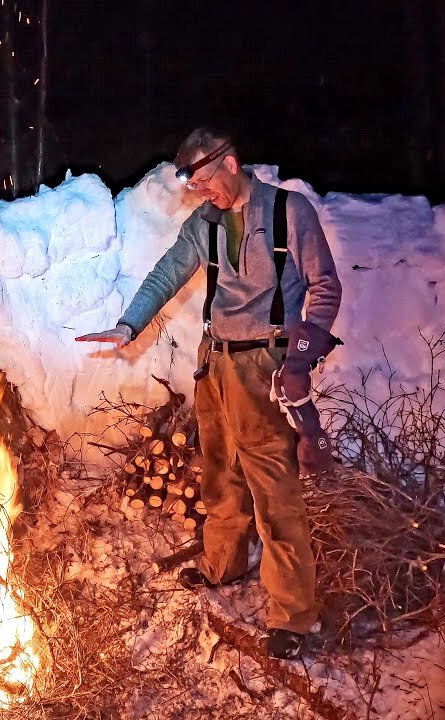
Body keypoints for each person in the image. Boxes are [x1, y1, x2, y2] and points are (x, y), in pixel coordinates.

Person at [77, 127, 342, 659]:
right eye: (193, 185)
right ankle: (224, 564)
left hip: (265, 365)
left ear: (231, 162)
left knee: (274, 490)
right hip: (214, 365)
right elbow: (167, 274)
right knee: (219, 472)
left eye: (205, 180)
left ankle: (292, 616)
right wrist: (129, 325)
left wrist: (300, 358)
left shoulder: (291, 212)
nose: (201, 192)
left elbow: (326, 286)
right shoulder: (205, 222)